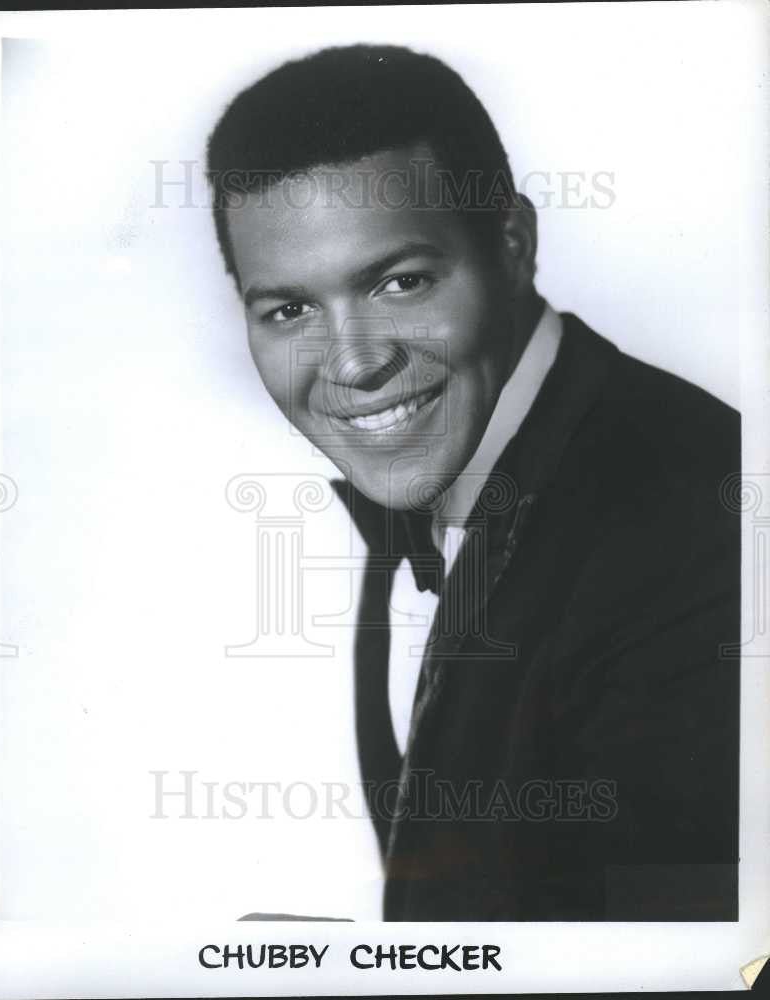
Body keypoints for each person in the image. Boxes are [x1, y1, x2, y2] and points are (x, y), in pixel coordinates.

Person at [206, 44, 740, 920]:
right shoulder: (440, 466)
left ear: (514, 243)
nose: (353, 363)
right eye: (289, 310)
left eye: (400, 281)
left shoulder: (695, 530)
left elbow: (691, 958)